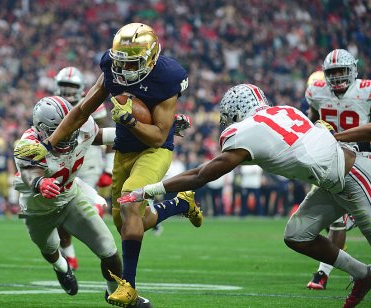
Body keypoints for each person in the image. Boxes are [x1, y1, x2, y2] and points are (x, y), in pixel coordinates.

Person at [119, 84, 371, 308]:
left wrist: (148, 190)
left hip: (355, 175)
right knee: (297, 235)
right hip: (334, 180)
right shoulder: (285, 111)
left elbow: (201, 175)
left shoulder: (246, 130)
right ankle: (362, 274)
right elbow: (282, 152)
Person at [14, 23, 202, 307]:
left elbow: (140, 134)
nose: (125, 71)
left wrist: (139, 123)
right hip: (47, 202)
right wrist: (46, 157)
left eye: (133, 63)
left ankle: (127, 289)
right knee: (123, 223)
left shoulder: (166, 78)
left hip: (131, 162)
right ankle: (179, 205)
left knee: (122, 218)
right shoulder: (31, 143)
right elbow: (74, 118)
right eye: (121, 63)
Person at [13, 96, 151, 306]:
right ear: (41, 129)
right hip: (37, 209)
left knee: (109, 250)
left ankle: (115, 294)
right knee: (50, 249)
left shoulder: (83, 125)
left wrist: (147, 132)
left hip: (70, 198)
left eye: (70, 126)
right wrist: (40, 183)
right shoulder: (29, 144)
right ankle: (62, 267)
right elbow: (29, 172)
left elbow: (103, 136)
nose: (68, 134)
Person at [305, 49, 371, 290]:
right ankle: (324, 273)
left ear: (353, 70)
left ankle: (323, 273)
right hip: (330, 158)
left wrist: (337, 135)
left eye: (342, 71)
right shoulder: (316, 91)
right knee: (334, 223)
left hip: (362, 159)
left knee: (350, 222)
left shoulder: (366, 91)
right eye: (332, 73)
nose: (337, 77)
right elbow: (312, 118)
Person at [53, 66, 114, 271]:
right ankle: (70, 256)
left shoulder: (92, 102)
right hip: (64, 164)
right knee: (60, 212)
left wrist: (109, 168)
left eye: (72, 85)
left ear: (80, 87)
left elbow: (110, 134)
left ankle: (103, 247)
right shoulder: (53, 104)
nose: (68, 90)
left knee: (79, 208)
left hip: (88, 161)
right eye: (64, 85)